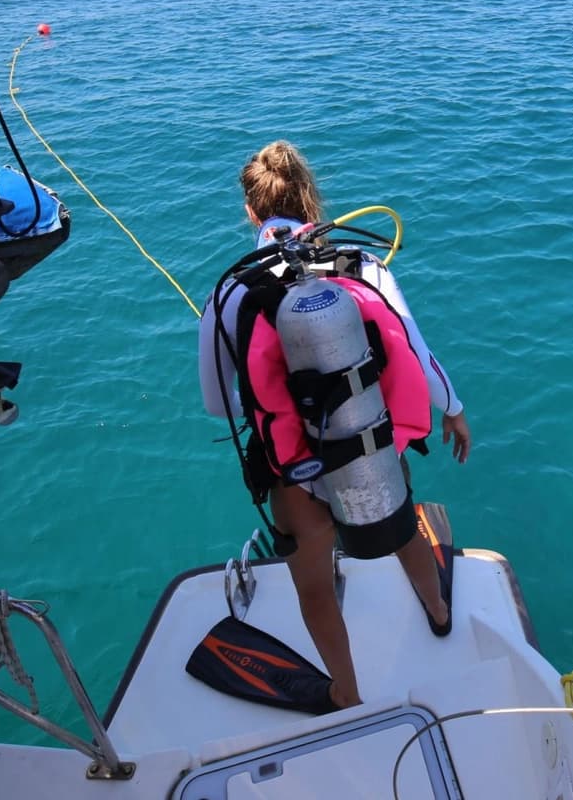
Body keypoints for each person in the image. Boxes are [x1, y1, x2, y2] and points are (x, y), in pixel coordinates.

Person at [197, 140, 471, 710]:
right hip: (368, 444)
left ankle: (346, 691)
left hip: (295, 471)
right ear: (309, 197)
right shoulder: (361, 265)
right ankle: (439, 613)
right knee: (401, 532)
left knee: (315, 585)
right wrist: (454, 410)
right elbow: (413, 354)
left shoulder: (231, 292)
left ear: (251, 211)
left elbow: (218, 407)